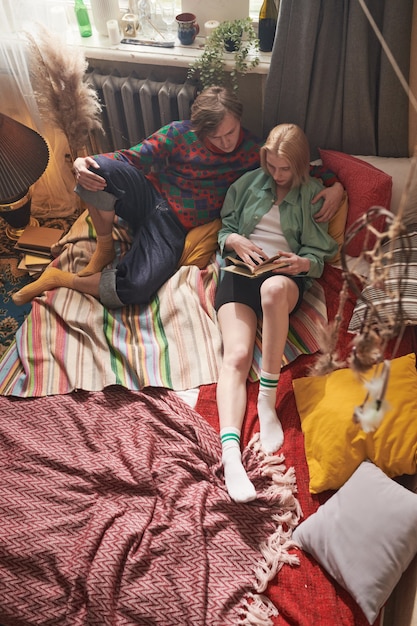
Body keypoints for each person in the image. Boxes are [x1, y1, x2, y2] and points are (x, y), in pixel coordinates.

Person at [12, 86, 343, 307]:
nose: (227, 142)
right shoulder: (178, 133)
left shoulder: (253, 151)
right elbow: (130, 157)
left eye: (232, 131)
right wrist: (86, 163)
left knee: (136, 289)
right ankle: (105, 245)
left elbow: (303, 168)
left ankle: (59, 278)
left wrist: (336, 187)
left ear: (240, 120)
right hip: (149, 195)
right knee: (98, 169)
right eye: (217, 136)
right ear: (200, 131)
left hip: (172, 225)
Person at [215, 123, 338, 504]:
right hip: (240, 272)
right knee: (235, 356)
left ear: (300, 166)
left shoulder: (314, 195)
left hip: (283, 280)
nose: (278, 175)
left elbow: (320, 256)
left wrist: (303, 263)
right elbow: (226, 230)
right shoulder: (250, 183)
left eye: (285, 169)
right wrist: (231, 239)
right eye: (272, 166)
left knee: (271, 290)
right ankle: (231, 455)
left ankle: (267, 399)